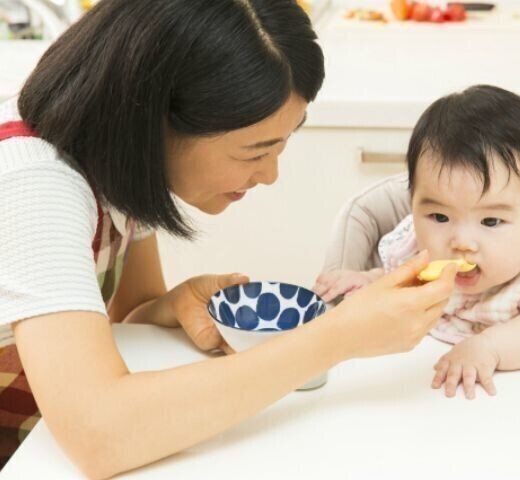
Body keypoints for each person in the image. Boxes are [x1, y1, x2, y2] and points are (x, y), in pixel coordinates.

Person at [0, 0, 455, 477]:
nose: (270, 174)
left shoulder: (119, 157)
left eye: (281, 146)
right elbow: (100, 433)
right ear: (156, 121)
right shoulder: (35, 187)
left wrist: (168, 305)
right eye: (253, 152)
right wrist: (341, 336)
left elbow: (126, 319)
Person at [314, 85, 520, 401]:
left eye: (490, 222)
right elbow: (404, 281)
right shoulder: (417, 243)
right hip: (417, 388)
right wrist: (370, 281)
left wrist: (489, 347)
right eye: (440, 217)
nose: (462, 243)